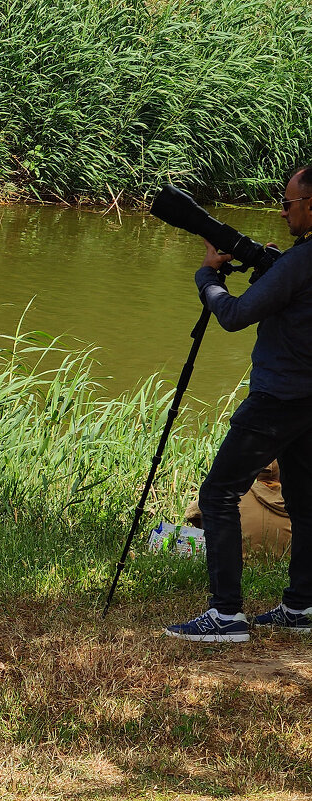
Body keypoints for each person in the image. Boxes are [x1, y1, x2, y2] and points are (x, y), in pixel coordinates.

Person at [166, 166, 312, 642]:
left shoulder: (299, 263)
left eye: (288, 203)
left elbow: (234, 315)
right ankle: (300, 606)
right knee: (305, 501)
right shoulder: (296, 261)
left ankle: (225, 615)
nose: (283, 210)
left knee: (218, 494)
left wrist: (207, 277)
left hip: (278, 398)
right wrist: (274, 264)